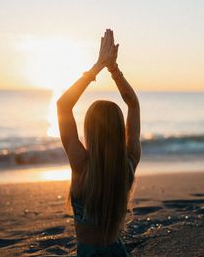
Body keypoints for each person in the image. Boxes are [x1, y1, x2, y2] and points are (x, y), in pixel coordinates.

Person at [57, 29, 141, 256]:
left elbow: (63, 105)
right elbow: (133, 105)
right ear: (117, 129)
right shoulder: (129, 163)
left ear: (89, 131)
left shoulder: (81, 165)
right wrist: (114, 70)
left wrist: (98, 66)